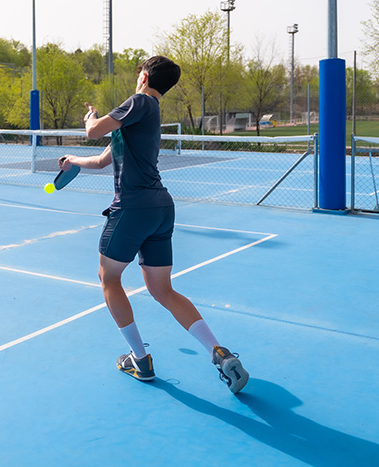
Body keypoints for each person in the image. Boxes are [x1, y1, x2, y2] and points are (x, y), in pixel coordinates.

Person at [59, 56, 249, 394]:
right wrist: (72, 161)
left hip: (133, 207)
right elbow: (103, 160)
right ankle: (219, 352)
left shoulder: (140, 102)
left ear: (144, 76)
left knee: (109, 278)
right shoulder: (143, 117)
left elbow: (92, 130)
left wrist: (90, 117)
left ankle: (139, 359)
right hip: (160, 208)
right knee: (162, 290)